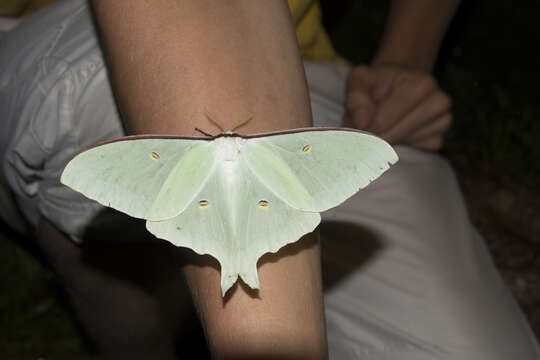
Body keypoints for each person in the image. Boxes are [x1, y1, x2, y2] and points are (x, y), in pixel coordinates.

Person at [0, 0, 538, 359]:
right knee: (94, 97)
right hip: (64, 43)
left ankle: (199, 285)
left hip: (308, 80)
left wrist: (406, 60)